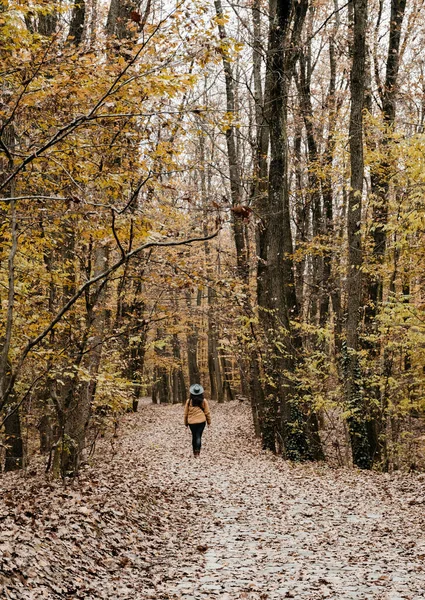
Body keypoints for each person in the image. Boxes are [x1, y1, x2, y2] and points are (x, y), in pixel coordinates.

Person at [184, 383, 211, 457]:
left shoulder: (189, 401)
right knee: (199, 436)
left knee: (194, 436)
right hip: (201, 422)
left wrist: (186, 423)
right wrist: (209, 422)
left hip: (192, 422)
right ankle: (198, 452)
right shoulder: (204, 401)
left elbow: (185, 414)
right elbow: (207, 412)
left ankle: (194, 452)